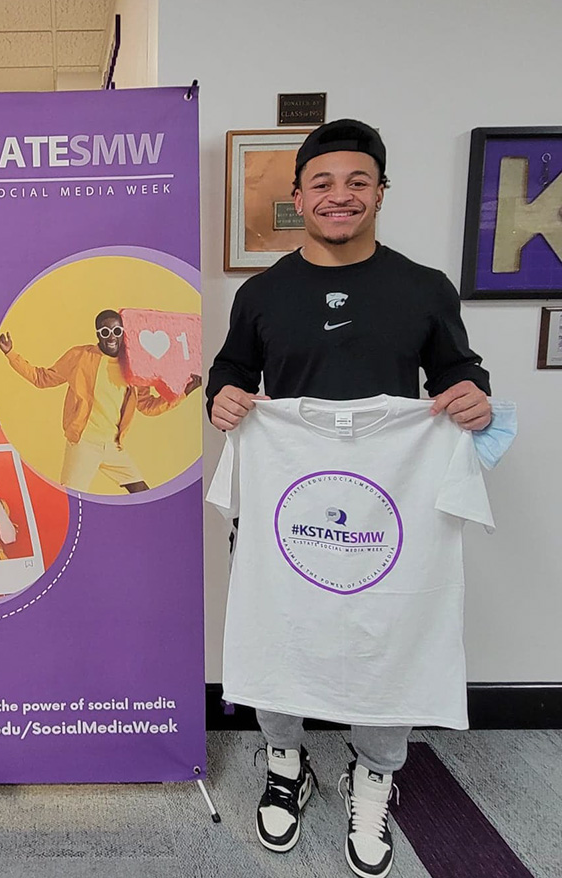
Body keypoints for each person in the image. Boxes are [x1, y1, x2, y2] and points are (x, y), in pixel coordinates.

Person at [206, 119, 492, 878]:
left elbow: (462, 373)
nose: (341, 196)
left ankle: (374, 770)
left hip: (385, 508)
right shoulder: (263, 292)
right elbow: (229, 372)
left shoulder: (423, 287)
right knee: (275, 622)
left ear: (381, 192)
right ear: (298, 196)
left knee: (390, 631)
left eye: (357, 182)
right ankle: (283, 758)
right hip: (283, 502)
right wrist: (225, 400)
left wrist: (474, 400)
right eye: (323, 183)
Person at [0, 310, 201, 493]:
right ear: (97, 335)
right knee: (72, 500)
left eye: (116, 331)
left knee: (141, 493)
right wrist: (11, 354)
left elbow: (147, 406)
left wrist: (184, 393)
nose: (111, 337)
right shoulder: (80, 356)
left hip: (113, 446)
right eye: (105, 332)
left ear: (124, 332)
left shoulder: (134, 365)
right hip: (84, 443)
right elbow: (41, 378)